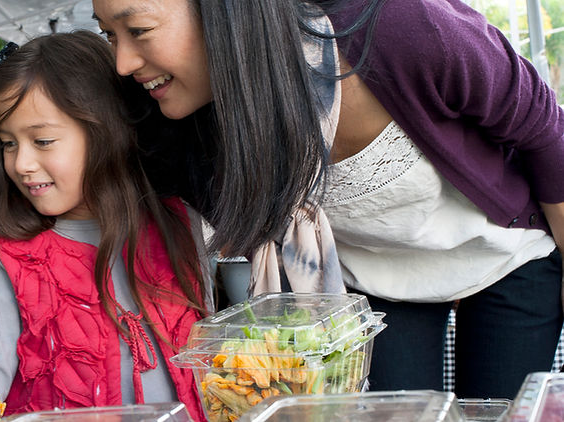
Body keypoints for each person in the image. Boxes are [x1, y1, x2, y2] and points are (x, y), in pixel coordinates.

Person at [91, 0, 564, 400]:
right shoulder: (184, 124)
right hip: (376, 282)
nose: (123, 63)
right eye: (110, 35)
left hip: (504, 256)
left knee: (502, 410)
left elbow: (546, 133)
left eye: (139, 30)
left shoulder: (406, 28)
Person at [0, 30, 215, 420]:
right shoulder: (4, 257)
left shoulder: (180, 225)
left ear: (106, 131)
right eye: (8, 143)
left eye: (42, 141)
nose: (21, 163)